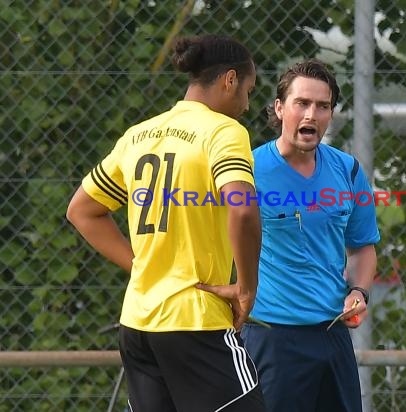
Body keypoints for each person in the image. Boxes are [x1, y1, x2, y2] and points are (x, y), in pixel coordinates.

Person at [66, 34, 266, 412]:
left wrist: (142, 267)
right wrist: (246, 287)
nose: (246, 103)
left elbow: (81, 210)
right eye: (249, 90)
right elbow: (242, 208)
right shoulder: (224, 131)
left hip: (138, 323)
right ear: (229, 80)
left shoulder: (138, 135)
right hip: (195, 319)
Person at [203, 59, 380, 412]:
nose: (311, 115)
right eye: (302, 103)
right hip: (270, 337)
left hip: (333, 337)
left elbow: (362, 248)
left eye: (322, 106)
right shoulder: (246, 171)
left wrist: (359, 291)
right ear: (280, 108)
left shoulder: (348, 170)